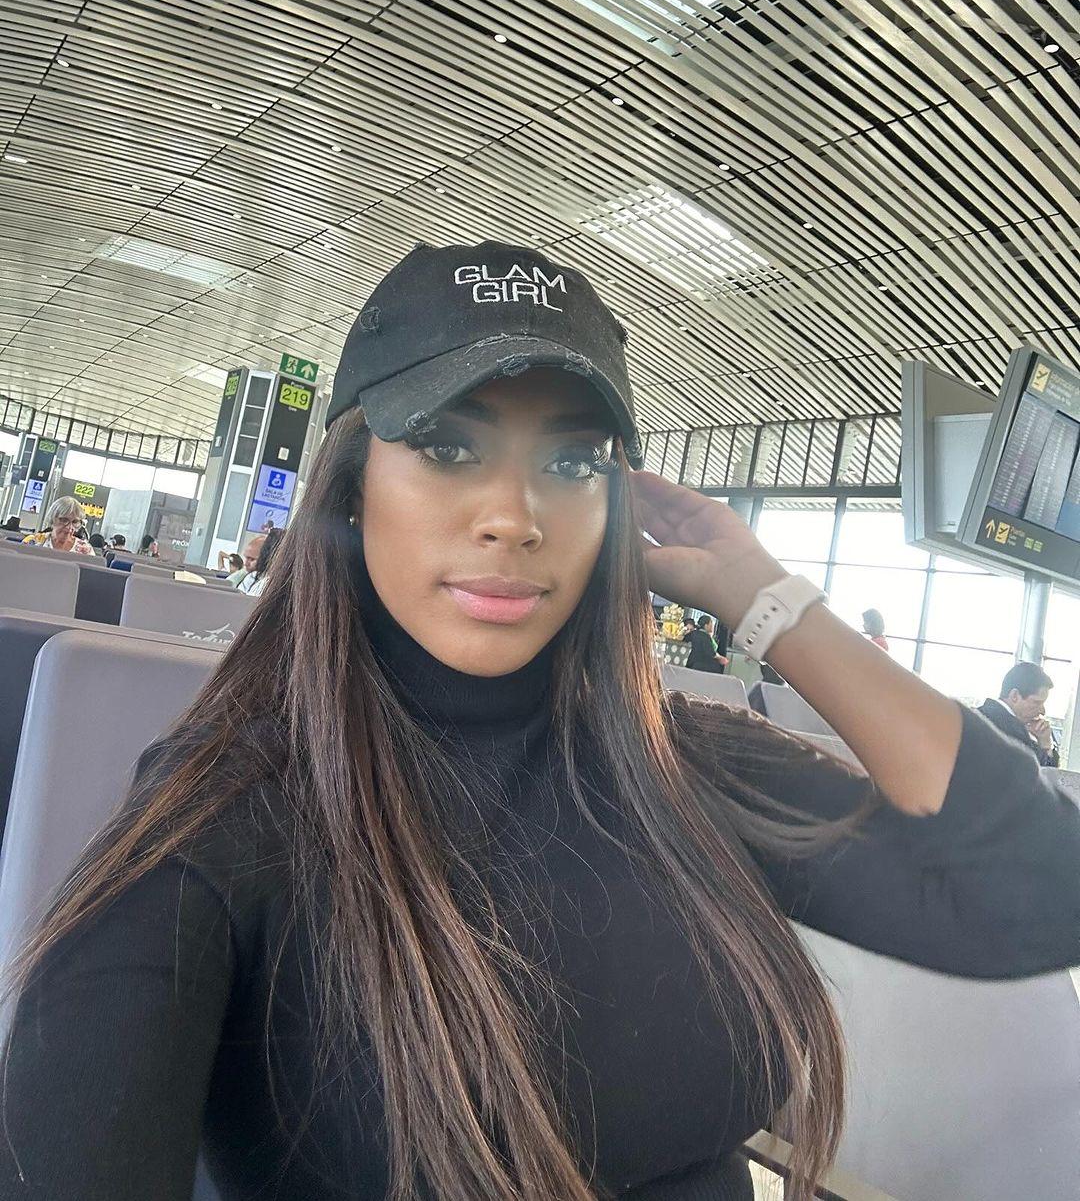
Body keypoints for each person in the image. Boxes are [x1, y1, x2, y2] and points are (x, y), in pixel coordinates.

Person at [2, 239, 1078, 1201]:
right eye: (448, 446)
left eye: (571, 462)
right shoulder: (227, 823)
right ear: (351, 486)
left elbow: (1039, 896)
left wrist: (768, 600)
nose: (515, 516)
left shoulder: (681, 772)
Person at [978, 663, 1059, 769]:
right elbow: (1044, 775)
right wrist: (1045, 744)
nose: (1042, 711)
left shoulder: (977, 716)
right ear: (1014, 696)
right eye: (1037, 702)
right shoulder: (1013, 735)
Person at [21, 496, 94, 555]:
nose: (69, 527)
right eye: (64, 520)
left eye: (75, 522)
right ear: (52, 519)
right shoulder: (33, 541)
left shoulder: (86, 550)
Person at [239, 526, 285, 597]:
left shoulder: (264, 583)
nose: (246, 563)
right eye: (246, 558)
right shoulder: (250, 578)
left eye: (252, 559)